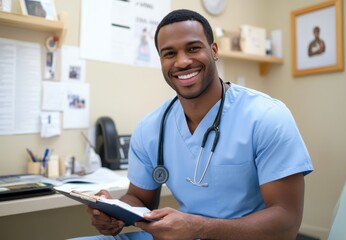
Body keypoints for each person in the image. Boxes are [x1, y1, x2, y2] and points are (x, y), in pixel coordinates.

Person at [72, 9, 313, 240]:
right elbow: (139, 198)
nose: (182, 62)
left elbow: (286, 224)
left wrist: (198, 227)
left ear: (214, 50)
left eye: (193, 48)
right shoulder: (150, 128)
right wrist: (116, 212)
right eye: (169, 54)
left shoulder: (266, 116)